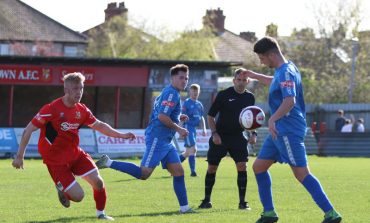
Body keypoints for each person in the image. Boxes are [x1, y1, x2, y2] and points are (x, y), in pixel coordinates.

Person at [12, 72, 136, 221]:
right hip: (55, 160)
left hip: (75, 154)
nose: (80, 92)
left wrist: (121, 135)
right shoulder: (51, 109)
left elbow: (100, 125)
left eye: (82, 88)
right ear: (67, 90)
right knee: (78, 197)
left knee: (98, 182)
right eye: (76, 88)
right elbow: (28, 130)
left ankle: (101, 214)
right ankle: (62, 189)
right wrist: (19, 156)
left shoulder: (82, 110)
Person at [243, 36, 342, 223]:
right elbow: (275, 81)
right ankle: (269, 213)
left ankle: (331, 214)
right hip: (279, 131)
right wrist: (254, 75)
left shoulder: (287, 72)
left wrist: (273, 118)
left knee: (302, 174)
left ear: (271, 54)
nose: (261, 61)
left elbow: (290, 101)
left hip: (287, 130)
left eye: (262, 58)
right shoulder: (287, 69)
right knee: (258, 167)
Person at [95, 64, 194, 214]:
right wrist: (179, 128)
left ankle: (185, 208)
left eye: (186, 78)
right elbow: (161, 117)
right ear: (173, 78)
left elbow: (160, 112)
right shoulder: (171, 93)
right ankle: (108, 162)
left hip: (165, 141)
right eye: (181, 77)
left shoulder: (170, 92)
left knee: (179, 172)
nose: (184, 81)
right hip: (157, 138)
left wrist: (178, 117)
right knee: (144, 174)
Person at [198, 68, 257, 210]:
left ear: (247, 81)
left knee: (242, 166)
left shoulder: (250, 97)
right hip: (221, 136)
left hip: (238, 137)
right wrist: (214, 133)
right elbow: (210, 116)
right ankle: (206, 200)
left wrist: (253, 133)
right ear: (234, 80)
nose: (241, 83)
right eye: (239, 80)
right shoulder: (224, 94)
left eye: (244, 80)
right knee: (212, 168)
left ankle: (243, 203)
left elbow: (250, 118)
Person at [179, 83, 207, 177]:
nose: (195, 92)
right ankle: (193, 172)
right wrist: (180, 130)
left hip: (193, 129)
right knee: (193, 149)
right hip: (188, 128)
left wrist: (204, 128)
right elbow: (182, 118)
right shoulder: (186, 103)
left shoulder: (199, 104)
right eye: (193, 90)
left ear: (199, 92)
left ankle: (172, 165)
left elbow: (201, 117)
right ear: (190, 92)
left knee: (187, 153)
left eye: (196, 91)